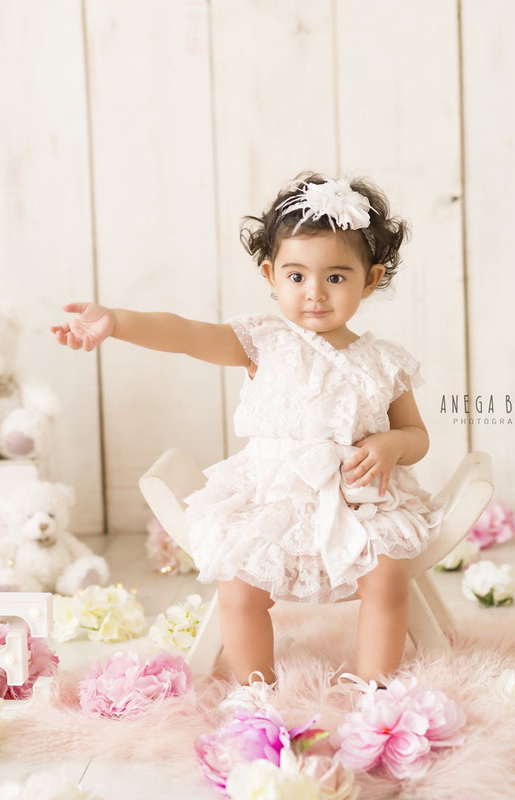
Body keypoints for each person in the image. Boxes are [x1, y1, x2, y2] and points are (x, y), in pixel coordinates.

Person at [50, 171, 444, 711]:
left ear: (370, 280)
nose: (314, 293)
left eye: (335, 277)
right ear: (270, 274)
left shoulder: (384, 362)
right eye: (297, 275)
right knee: (239, 583)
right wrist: (117, 321)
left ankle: (373, 686)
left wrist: (392, 446)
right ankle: (255, 688)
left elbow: (417, 435)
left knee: (387, 575)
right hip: (273, 496)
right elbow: (185, 334)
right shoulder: (262, 342)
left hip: (356, 499)